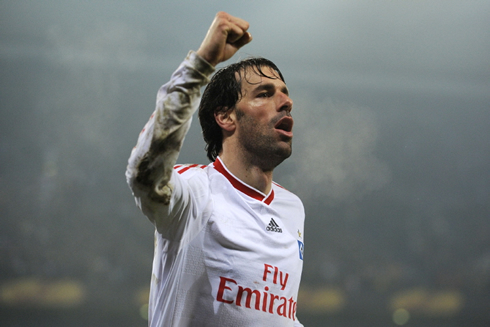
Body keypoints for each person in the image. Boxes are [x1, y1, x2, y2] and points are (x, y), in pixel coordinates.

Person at [126, 11, 305, 327]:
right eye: (264, 93)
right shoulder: (195, 191)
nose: (285, 101)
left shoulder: (292, 208)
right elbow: (144, 172)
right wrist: (201, 64)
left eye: (285, 92)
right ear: (226, 118)